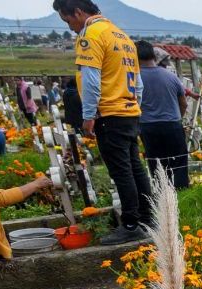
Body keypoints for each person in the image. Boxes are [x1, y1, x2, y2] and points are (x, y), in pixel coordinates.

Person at [54, 0, 152, 246]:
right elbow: (137, 82)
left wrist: (89, 116)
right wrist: (133, 104)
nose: (71, 28)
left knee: (121, 170)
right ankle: (149, 217)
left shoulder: (91, 34)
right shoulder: (121, 35)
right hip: (129, 110)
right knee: (134, 167)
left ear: (78, 12)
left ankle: (130, 224)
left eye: (68, 21)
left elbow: (90, 78)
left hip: (109, 112)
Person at [137, 40, 189, 189]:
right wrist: (177, 119)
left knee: (157, 166)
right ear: (153, 56)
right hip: (172, 125)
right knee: (179, 163)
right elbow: (183, 103)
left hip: (148, 127)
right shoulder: (171, 77)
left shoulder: (134, 78)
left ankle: (163, 198)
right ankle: (182, 195)